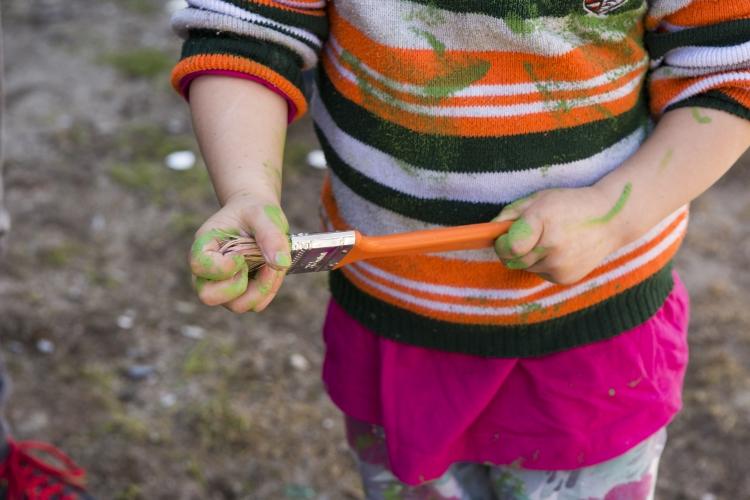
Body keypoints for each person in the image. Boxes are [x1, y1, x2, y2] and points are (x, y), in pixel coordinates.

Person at [171, 1, 750, 498]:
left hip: (595, 336)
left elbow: (729, 70)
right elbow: (246, 27)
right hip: (392, 324)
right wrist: (247, 189)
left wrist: (614, 213)